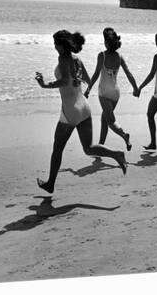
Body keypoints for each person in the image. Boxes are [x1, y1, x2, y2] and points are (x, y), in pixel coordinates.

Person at [34, 30, 127, 193]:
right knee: (89, 148)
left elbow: (63, 81)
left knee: (57, 148)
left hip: (70, 110)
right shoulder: (77, 59)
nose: (54, 46)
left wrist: (44, 84)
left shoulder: (63, 58)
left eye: (55, 43)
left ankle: (50, 184)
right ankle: (117, 154)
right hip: (84, 107)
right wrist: (77, 78)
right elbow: (88, 80)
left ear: (62, 45)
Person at [84, 28, 137, 151]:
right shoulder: (119, 56)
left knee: (111, 121)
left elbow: (96, 74)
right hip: (116, 93)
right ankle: (101, 144)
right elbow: (129, 74)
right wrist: (135, 88)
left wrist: (88, 89)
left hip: (104, 92)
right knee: (105, 118)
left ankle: (124, 135)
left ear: (107, 43)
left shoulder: (102, 55)